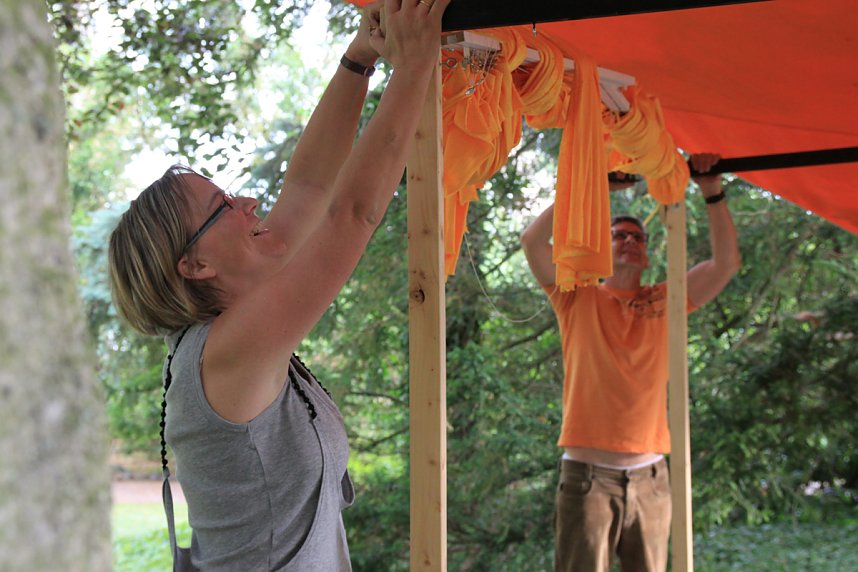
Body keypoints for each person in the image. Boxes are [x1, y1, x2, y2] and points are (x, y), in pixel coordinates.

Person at [107, 1, 450, 569]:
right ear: (195, 266)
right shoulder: (224, 354)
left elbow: (312, 185)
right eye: (223, 206)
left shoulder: (228, 338)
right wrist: (413, 67)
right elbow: (350, 215)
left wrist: (360, 58)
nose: (248, 202)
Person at [521, 154, 740, 572]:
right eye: (620, 234)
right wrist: (596, 188)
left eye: (639, 238)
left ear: (646, 254)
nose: (631, 241)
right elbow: (533, 241)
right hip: (588, 479)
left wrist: (713, 193)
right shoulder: (576, 294)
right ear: (603, 244)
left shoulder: (665, 298)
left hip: (652, 479)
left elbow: (725, 265)